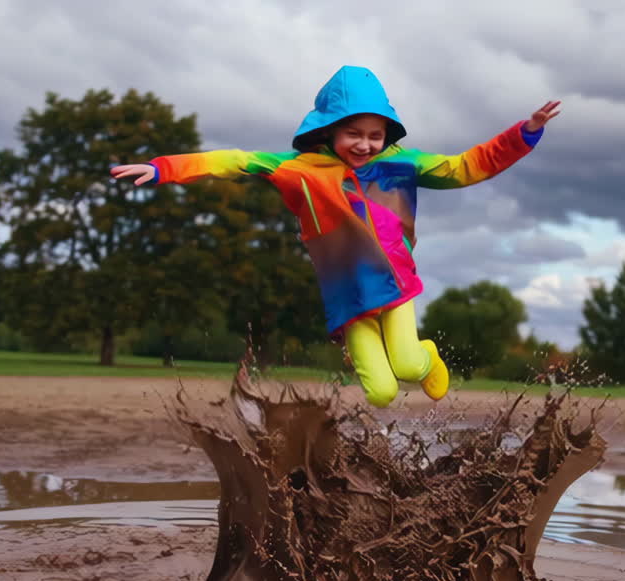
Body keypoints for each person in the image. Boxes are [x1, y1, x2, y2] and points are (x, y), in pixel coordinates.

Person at [111, 65, 559, 407]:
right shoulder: (298, 167)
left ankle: (428, 356)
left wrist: (525, 133)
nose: (364, 145)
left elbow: (466, 167)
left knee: (406, 365)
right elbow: (234, 159)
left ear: (387, 135)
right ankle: (382, 362)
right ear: (330, 130)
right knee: (382, 394)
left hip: (396, 284)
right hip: (348, 294)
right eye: (353, 134)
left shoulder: (403, 163)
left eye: (375, 135)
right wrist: (162, 168)